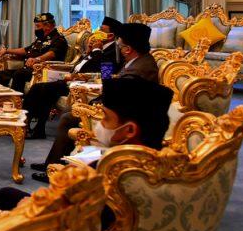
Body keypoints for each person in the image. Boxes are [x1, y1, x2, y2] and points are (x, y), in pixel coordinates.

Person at [0, 77, 174, 228]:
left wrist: (35, 207)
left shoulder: (112, 172)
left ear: (129, 130)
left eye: (105, 117)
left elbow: (73, 217)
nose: (100, 123)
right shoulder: (168, 163)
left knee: (5, 195)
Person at [30, 22, 161, 180]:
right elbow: (108, 77)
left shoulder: (133, 63)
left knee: (67, 116)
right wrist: (88, 60)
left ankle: (54, 167)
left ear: (128, 48)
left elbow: (108, 78)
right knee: (63, 108)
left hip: (120, 114)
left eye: (121, 45)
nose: (119, 47)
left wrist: (99, 53)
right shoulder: (135, 59)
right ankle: (53, 163)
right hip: (95, 94)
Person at [21, 17, 123, 139]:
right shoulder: (99, 47)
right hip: (72, 79)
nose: (96, 32)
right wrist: (89, 52)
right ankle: (36, 128)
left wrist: (95, 50)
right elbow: (83, 64)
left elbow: (104, 74)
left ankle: (26, 124)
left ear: (110, 36)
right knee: (42, 89)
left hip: (82, 85)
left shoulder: (114, 51)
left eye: (101, 30)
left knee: (41, 88)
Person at [0, 13, 69, 93]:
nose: (36, 29)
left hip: (42, 71)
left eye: (38, 26)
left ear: (48, 26)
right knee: (2, 74)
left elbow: (51, 54)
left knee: (19, 74)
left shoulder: (58, 39)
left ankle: (17, 100)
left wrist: (37, 59)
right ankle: (2, 98)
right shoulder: (41, 38)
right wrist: (7, 51)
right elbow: (26, 50)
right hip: (29, 69)